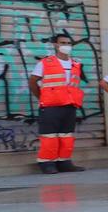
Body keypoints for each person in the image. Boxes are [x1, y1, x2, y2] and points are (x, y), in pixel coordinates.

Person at [31, 31, 87, 174]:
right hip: (50, 106)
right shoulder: (45, 62)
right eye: (63, 43)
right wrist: (42, 97)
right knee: (49, 136)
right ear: (55, 45)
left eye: (69, 43)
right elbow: (33, 82)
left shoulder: (75, 64)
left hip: (69, 105)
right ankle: (47, 163)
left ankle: (64, 162)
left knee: (66, 136)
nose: (66, 46)